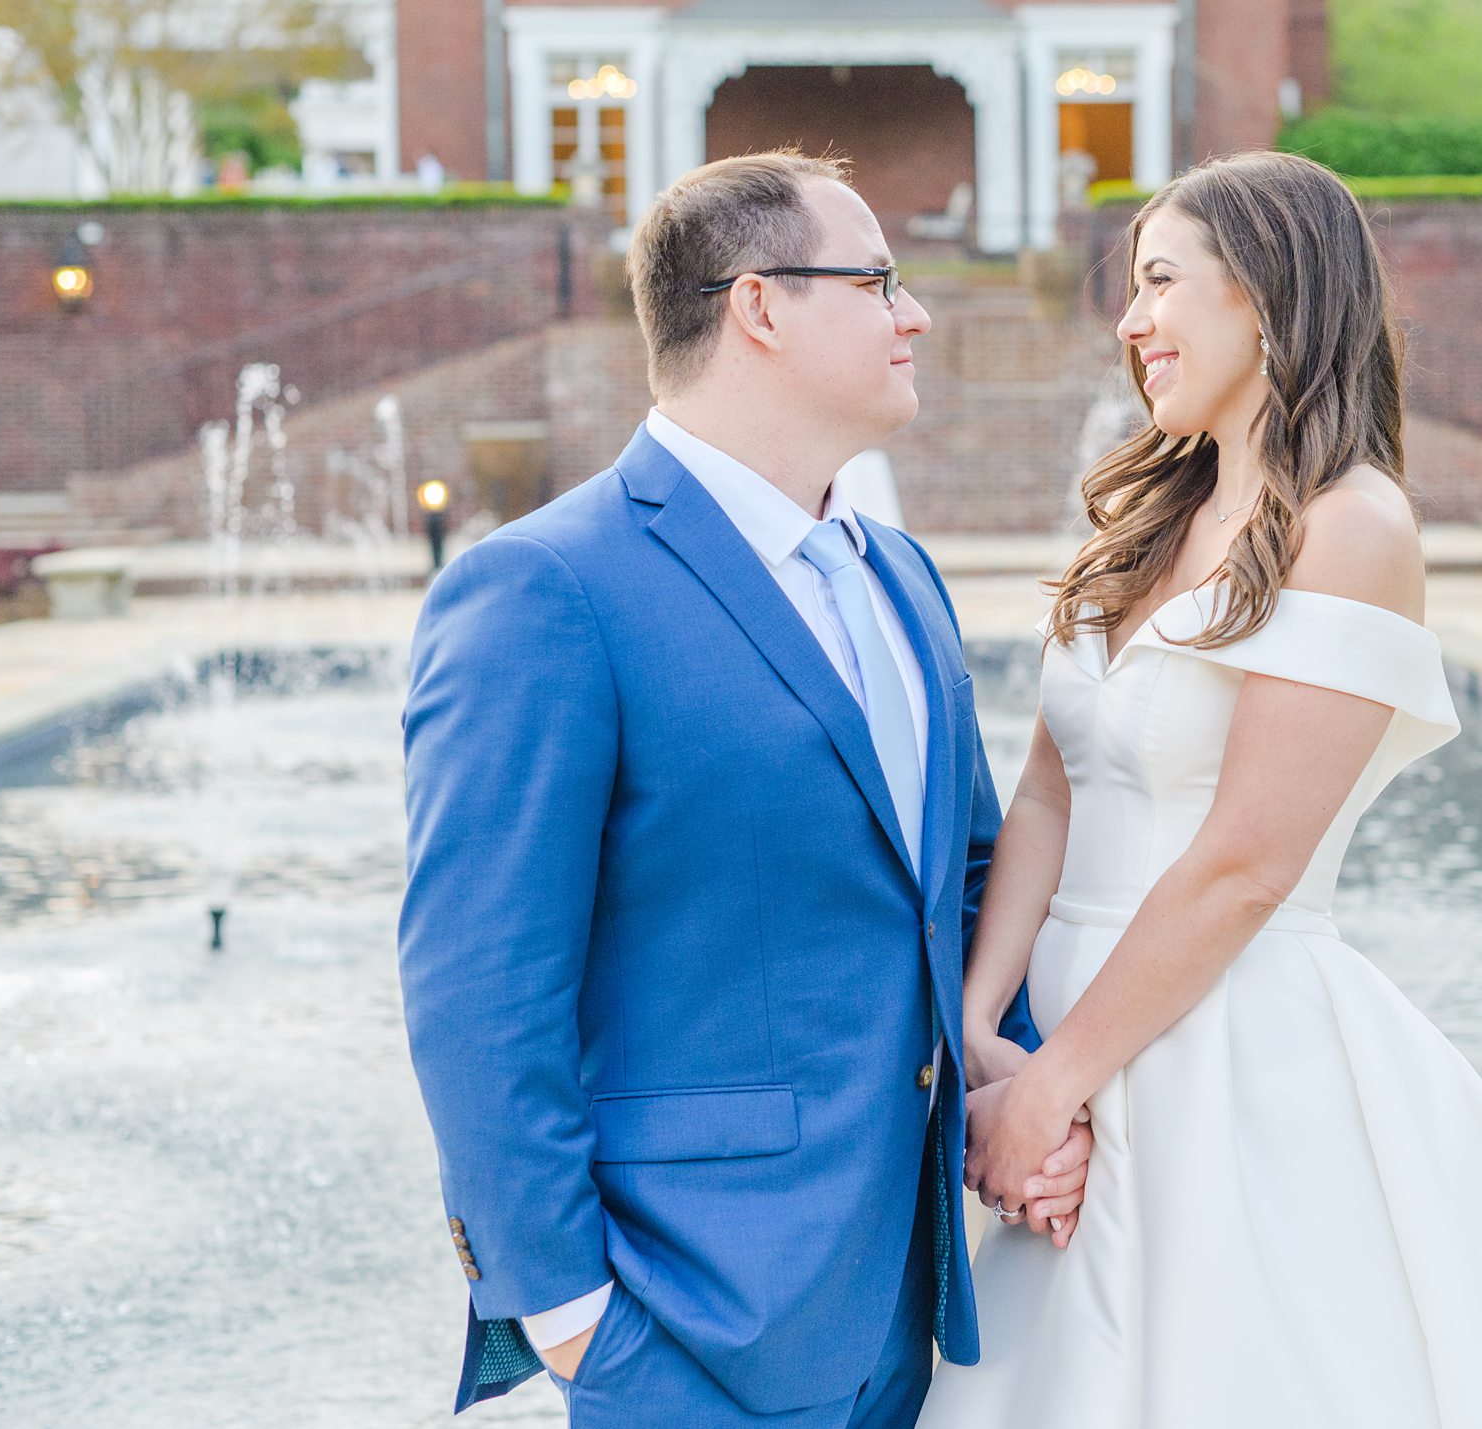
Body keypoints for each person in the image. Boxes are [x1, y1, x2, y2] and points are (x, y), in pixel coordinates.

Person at [917, 150, 1482, 1428]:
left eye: (1163, 282)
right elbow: (1049, 802)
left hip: (1221, 1045)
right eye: (1133, 288)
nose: (1132, 323)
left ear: (1270, 297)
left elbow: (1247, 863)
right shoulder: (1140, 526)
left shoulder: (1354, 527)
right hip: (1051, 1034)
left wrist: (1055, 1086)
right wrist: (974, 1043)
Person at [397, 150, 1090, 1429]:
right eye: (879, 280)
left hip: (903, 1306)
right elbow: (479, 985)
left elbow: (972, 879)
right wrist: (570, 1319)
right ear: (759, 305)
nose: (915, 313)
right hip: (686, 1325)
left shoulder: (900, 574)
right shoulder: (543, 589)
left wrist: (1031, 1096)